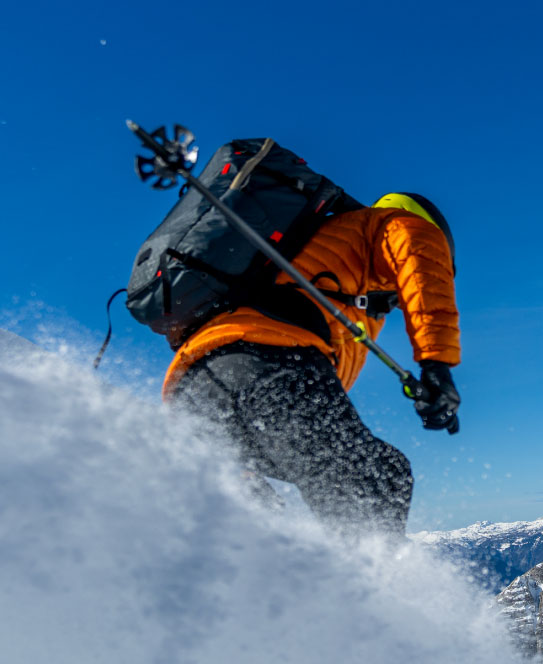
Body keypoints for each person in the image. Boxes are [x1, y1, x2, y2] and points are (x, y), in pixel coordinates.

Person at [162, 192, 461, 534]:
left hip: (195, 393)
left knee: (256, 519)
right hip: (268, 360)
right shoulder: (395, 225)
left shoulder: (333, 268)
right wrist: (437, 363)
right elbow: (420, 258)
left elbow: (312, 405)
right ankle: (370, 584)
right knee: (380, 476)